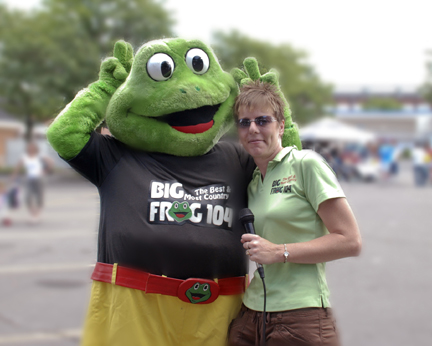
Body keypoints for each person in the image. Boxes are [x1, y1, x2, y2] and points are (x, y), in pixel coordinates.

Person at [228, 81, 362, 346]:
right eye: (244, 122)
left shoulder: (305, 164)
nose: (253, 128)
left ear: (281, 126)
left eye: (262, 120)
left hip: (301, 315)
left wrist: (279, 252)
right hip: (251, 313)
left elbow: (350, 241)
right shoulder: (252, 180)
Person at [11, 141, 53, 224]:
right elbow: (18, 166)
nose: (31, 149)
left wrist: (45, 171)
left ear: (35, 148)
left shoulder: (40, 155)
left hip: (39, 178)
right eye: (29, 147)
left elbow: (50, 162)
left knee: (39, 197)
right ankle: (32, 214)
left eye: (32, 147)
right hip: (29, 178)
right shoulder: (25, 156)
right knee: (27, 197)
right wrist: (14, 175)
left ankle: (37, 215)